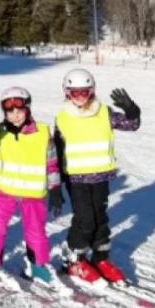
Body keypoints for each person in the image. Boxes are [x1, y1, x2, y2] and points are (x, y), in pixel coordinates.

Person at [52, 67, 141, 285]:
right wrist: (55, 186)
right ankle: (74, 258)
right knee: (85, 220)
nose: (80, 97)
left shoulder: (104, 112)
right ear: (66, 92)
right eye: (75, 93)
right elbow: (56, 151)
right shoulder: (63, 117)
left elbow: (133, 125)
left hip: (100, 176)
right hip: (76, 178)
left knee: (100, 218)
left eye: (85, 92)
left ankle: (100, 258)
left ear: (92, 91)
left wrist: (132, 110)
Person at [0, 86, 60, 286]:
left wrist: (55, 188)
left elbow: (52, 162)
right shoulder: (0, 132)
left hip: (33, 194)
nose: (15, 115)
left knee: (36, 231)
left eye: (19, 110)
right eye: (10, 111)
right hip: (5, 192)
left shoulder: (41, 132)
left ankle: (37, 266)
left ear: (28, 108)